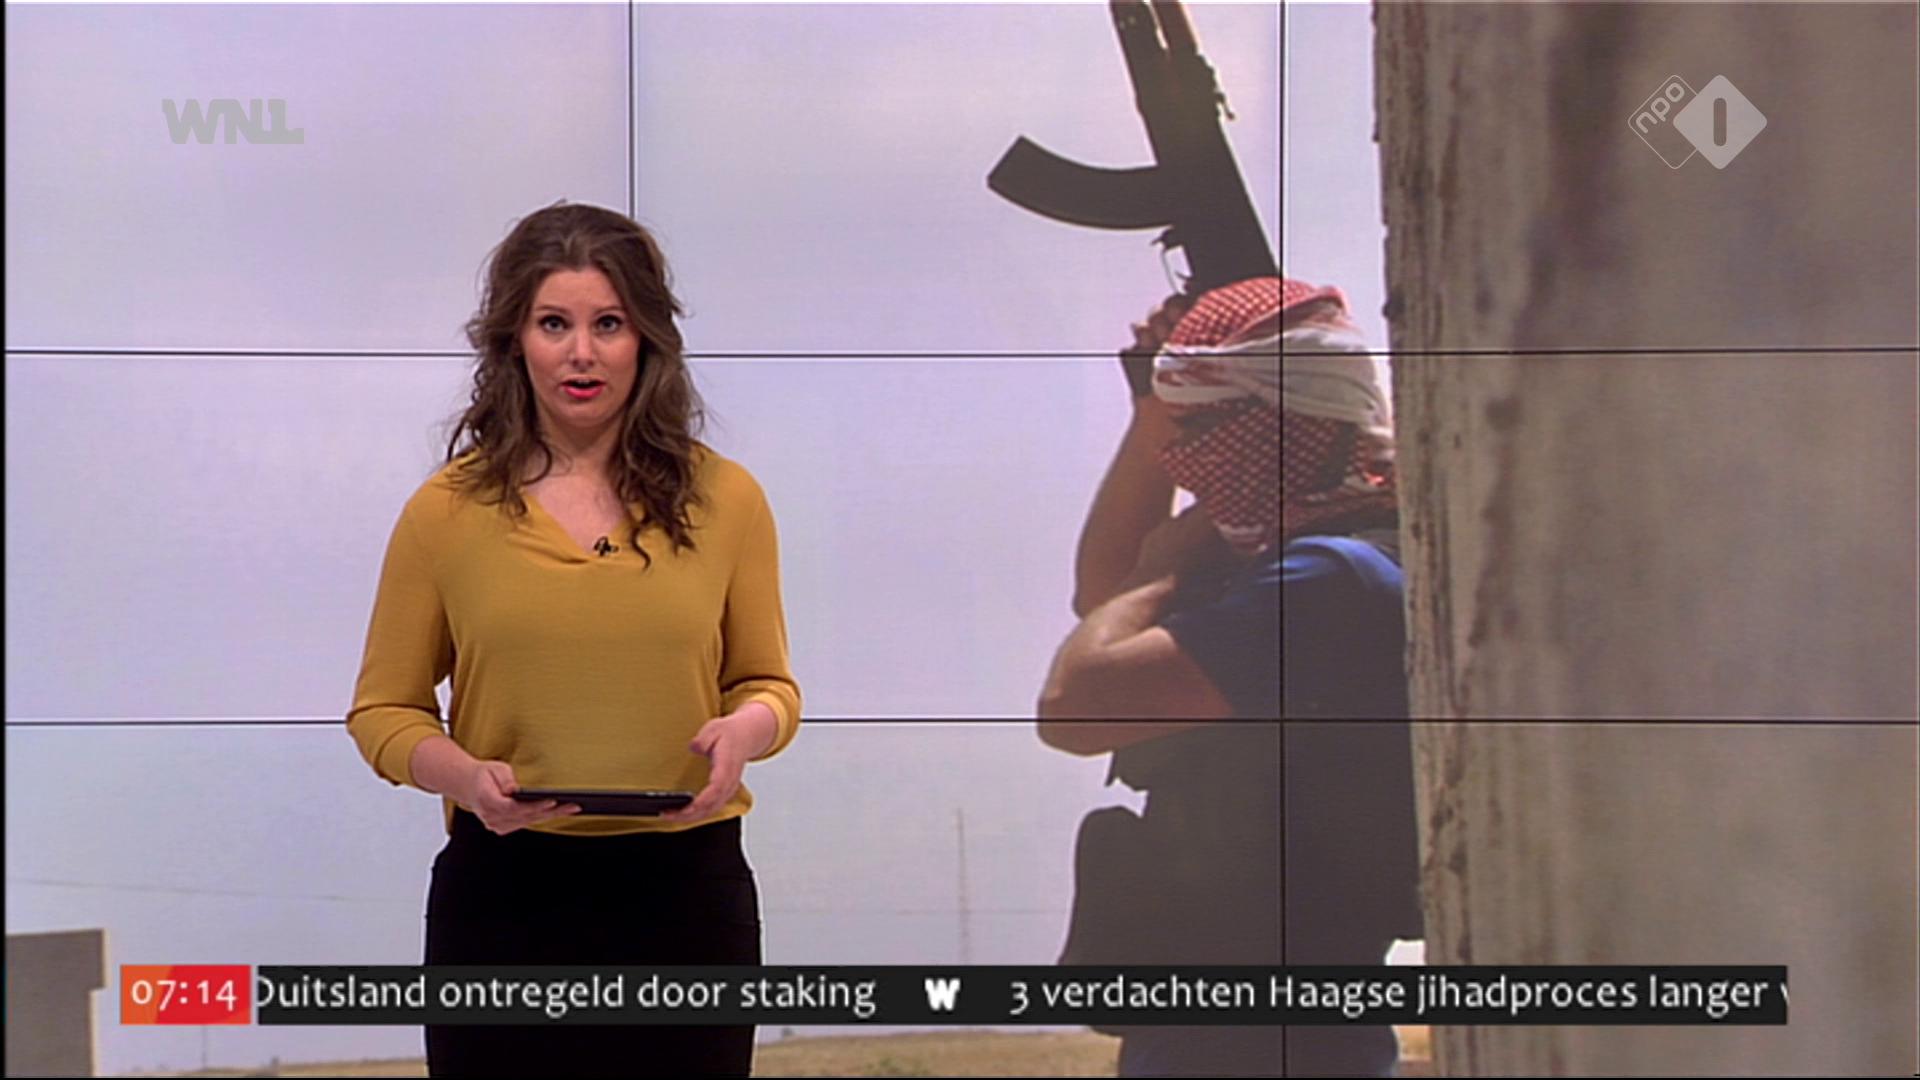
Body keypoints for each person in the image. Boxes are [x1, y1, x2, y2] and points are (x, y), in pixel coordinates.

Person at [345, 200, 802, 1078]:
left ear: (647, 340)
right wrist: (464, 778)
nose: (581, 353)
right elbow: (383, 711)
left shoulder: (729, 501)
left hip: (687, 895)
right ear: (515, 339)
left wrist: (746, 731)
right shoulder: (445, 512)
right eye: (554, 323)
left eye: (609, 324)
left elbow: (769, 686)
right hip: (504, 896)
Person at [1036, 276, 1421, 1078]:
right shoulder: (1317, 559)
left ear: (1277, 428)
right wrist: (1155, 408)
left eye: (1201, 430)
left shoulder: (1331, 581)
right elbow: (1105, 597)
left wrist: (1164, 572)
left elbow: (1075, 706)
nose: (1183, 461)